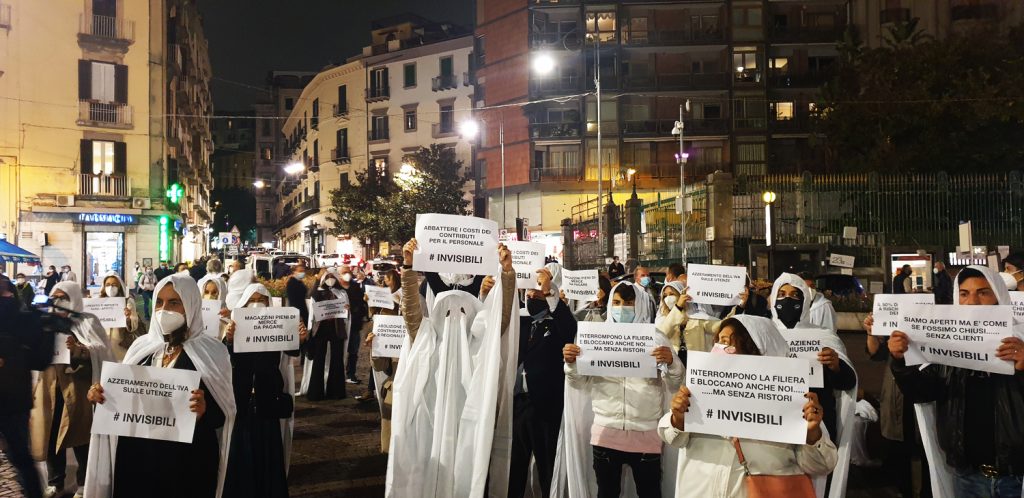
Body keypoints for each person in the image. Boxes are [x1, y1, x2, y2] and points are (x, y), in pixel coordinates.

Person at [84, 273, 235, 498]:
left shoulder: (212, 352)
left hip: (186, 464)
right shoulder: (141, 348)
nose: (165, 309)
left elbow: (225, 413)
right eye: (160, 302)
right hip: (138, 460)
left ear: (191, 305)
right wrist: (101, 397)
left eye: (174, 302)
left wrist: (204, 411)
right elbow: (122, 402)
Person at [387, 238, 518, 497]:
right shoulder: (425, 340)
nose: (453, 318)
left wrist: (507, 273)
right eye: (446, 312)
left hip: (467, 429)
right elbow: (411, 310)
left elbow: (501, 318)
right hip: (430, 427)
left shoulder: (480, 343)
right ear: (436, 313)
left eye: (461, 311)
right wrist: (409, 267)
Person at [658, 314, 838, 498]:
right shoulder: (701, 389)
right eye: (719, 341)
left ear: (757, 350)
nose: (721, 348)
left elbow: (822, 465)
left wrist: (811, 435)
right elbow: (671, 437)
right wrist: (678, 419)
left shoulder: (792, 399)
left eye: (729, 342)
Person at [887, 265, 1024, 497]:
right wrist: (899, 361)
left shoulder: (1020, 342)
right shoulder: (949, 347)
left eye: (983, 292)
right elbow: (923, 392)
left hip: (1015, 478)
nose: (972, 302)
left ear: (998, 295)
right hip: (967, 477)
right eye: (964, 294)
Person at [562, 281, 683, 498]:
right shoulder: (595, 337)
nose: (621, 308)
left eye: (628, 303)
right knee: (606, 493)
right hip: (605, 432)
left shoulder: (655, 338)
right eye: (616, 302)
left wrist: (672, 363)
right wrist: (571, 363)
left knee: (650, 493)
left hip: (646, 433)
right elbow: (578, 383)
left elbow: (674, 384)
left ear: (639, 305)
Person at [222, 283, 305, 498]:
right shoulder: (235, 328)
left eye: (262, 300)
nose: (257, 304)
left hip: (268, 400)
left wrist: (300, 338)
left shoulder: (277, 326)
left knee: (267, 457)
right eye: (252, 300)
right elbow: (225, 358)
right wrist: (229, 339)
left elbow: (292, 350)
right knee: (241, 456)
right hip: (241, 401)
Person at [31, 282, 113, 498]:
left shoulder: (87, 321)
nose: (58, 301)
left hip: (78, 389)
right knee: (51, 436)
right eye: (54, 297)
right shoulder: (46, 321)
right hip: (50, 388)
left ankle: (83, 483)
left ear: (74, 297)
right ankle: (54, 481)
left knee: (80, 438)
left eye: (63, 297)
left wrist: (78, 350)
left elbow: (101, 351)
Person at [509, 267, 577, 498]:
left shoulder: (558, 321)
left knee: (547, 467)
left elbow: (569, 330)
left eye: (535, 292)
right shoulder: (521, 321)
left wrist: (548, 293)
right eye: (528, 293)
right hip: (519, 406)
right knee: (514, 468)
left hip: (545, 408)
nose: (531, 297)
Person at [863, 314, 933, 498]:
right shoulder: (895, 325)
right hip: (898, 396)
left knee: (928, 453)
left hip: (927, 392)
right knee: (900, 450)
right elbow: (876, 354)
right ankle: (904, 490)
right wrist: (871, 333)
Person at [0, 275, 52, 498]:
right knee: (21, 456)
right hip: (15, 396)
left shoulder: (20, 316)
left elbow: (39, 360)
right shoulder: (25, 315)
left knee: (20, 455)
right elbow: (40, 360)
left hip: (12, 396)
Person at [307, 271, 349, 401]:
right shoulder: (317, 293)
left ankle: (336, 391)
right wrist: (310, 328)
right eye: (328, 277)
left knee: (337, 358)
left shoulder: (342, 293)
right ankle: (315, 392)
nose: (330, 280)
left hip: (336, 329)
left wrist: (347, 310)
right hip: (320, 329)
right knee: (319, 359)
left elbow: (346, 311)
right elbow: (312, 313)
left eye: (332, 277)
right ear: (323, 279)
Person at [97, 273, 141, 361]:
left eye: (114, 285)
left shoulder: (127, 301)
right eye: (108, 285)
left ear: (119, 286)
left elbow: (134, 326)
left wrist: (128, 318)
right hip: (101, 346)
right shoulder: (98, 302)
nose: (111, 288)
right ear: (104, 286)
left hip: (120, 346)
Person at [336, 265, 367, 385]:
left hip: (354, 324)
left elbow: (361, 303)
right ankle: (338, 375)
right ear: (339, 274)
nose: (347, 274)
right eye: (344, 272)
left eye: (348, 272)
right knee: (339, 352)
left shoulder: (355, 287)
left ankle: (351, 374)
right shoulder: (335, 288)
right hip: (340, 326)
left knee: (353, 351)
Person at [285, 262, 310, 329]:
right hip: (298, 313)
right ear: (294, 272)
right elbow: (293, 300)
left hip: (303, 310)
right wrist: (298, 315)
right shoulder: (292, 283)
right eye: (300, 271)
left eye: (303, 271)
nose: (302, 273)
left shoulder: (299, 282)